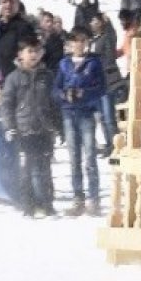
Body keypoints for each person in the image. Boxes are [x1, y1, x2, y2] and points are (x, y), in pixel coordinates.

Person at [0, 34, 60, 217]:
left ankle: (47, 203)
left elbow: (54, 102)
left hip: (44, 128)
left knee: (45, 167)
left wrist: (58, 126)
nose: (33, 55)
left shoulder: (47, 76)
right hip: (24, 130)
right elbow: (7, 104)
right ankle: (29, 204)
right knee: (28, 168)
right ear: (20, 54)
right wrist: (9, 126)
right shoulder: (13, 78)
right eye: (29, 51)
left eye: (37, 51)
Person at [55, 27, 104, 216]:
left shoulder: (94, 62)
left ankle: (94, 198)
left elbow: (101, 88)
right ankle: (78, 198)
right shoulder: (64, 64)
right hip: (69, 114)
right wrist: (64, 94)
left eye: (83, 41)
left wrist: (86, 93)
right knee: (74, 158)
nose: (79, 44)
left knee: (90, 156)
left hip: (86, 113)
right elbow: (55, 89)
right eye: (76, 41)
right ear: (70, 43)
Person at [88, 12, 122, 155]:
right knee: (102, 117)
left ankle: (116, 147)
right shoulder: (92, 41)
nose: (92, 23)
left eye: (95, 21)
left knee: (109, 117)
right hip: (96, 84)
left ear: (101, 23)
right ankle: (109, 145)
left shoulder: (106, 37)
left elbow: (110, 56)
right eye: (91, 21)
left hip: (107, 81)